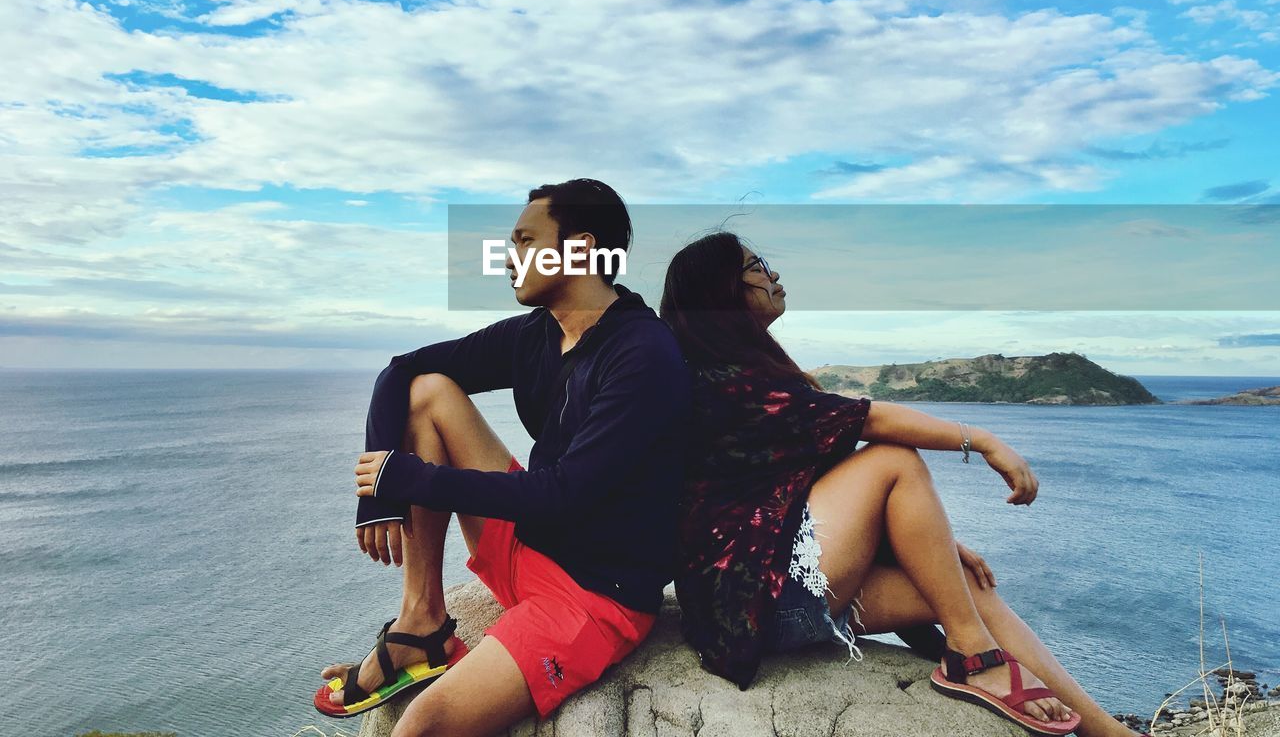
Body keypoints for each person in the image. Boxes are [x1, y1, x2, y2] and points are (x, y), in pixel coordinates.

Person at [658, 231, 1149, 737]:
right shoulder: (726, 384)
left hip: (769, 601)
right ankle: (974, 656)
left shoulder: (746, 375)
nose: (773, 273)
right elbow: (870, 422)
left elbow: (806, 486)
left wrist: (932, 548)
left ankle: (1111, 734)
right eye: (756, 266)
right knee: (894, 460)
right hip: (757, 605)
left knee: (966, 590)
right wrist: (979, 439)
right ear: (723, 292)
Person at [314, 178, 691, 737]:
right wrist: (378, 496)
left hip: (592, 598)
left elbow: (563, 495)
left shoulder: (642, 353)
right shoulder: (538, 334)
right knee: (430, 390)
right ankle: (422, 621)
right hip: (529, 546)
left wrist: (417, 479)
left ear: (582, 247)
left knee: (422, 728)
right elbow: (402, 370)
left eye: (523, 240)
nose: (509, 259)